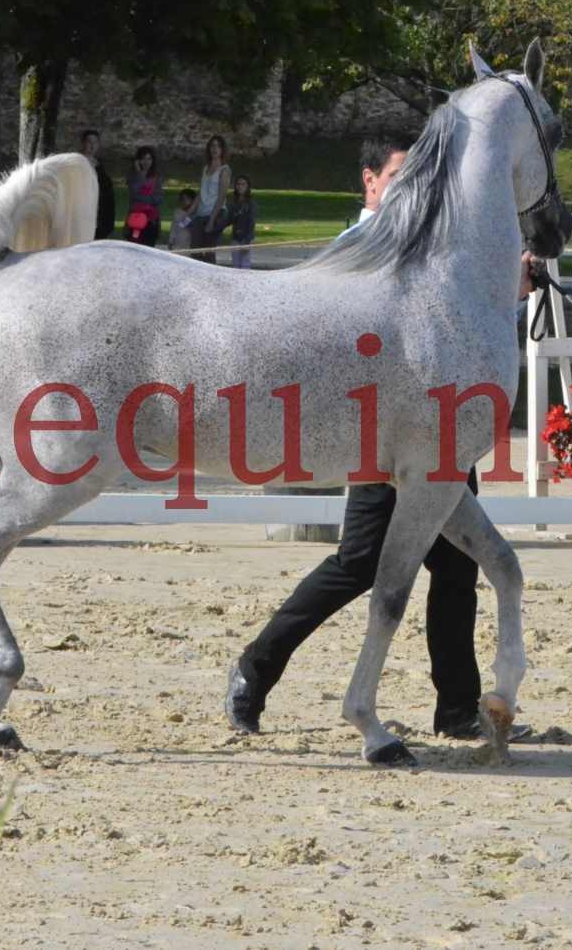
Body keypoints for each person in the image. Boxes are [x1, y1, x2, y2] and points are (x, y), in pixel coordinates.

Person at [224, 134, 488, 740]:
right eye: (399, 174)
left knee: (456, 567)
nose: (413, 188)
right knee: (359, 563)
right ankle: (254, 669)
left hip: (438, 431)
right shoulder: (353, 250)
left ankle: (458, 709)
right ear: (369, 181)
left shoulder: (436, 249)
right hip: (379, 435)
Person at [191, 134, 231, 264]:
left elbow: (221, 196)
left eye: (218, 146)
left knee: (208, 251)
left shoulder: (224, 170)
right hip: (201, 212)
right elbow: (200, 192)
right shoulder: (205, 168)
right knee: (195, 250)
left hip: (215, 213)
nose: (215, 149)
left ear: (222, 150)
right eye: (212, 146)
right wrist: (189, 211)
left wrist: (212, 220)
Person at [80, 129, 116, 240]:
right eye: (89, 142)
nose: (92, 145)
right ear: (83, 143)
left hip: (100, 213)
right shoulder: (78, 162)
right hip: (84, 212)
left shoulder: (99, 163)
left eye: (95, 142)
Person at [124, 144, 163, 247]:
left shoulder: (156, 177)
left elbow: (159, 199)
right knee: (134, 247)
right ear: (138, 160)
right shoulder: (133, 176)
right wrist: (139, 173)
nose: (146, 162)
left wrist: (146, 199)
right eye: (143, 158)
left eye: (149, 158)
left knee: (149, 248)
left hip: (151, 219)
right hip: (136, 218)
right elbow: (135, 194)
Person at [225, 173, 256, 269]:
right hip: (235, 238)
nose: (240, 186)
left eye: (243, 184)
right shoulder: (233, 202)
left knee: (245, 265)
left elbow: (251, 223)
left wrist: (247, 241)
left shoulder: (251, 203)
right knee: (235, 265)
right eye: (238, 184)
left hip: (246, 238)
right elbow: (228, 219)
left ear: (247, 186)